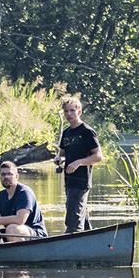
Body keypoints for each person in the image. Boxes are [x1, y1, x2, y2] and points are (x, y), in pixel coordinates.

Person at [54, 95, 102, 234]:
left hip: (82, 181)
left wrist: (79, 162)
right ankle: (90, 243)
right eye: (66, 111)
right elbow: (62, 153)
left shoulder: (87, 131)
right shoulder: (66, 133)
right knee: (81, 217)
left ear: (79, 112)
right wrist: (59, 159)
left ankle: (72, 244)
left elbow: (98, 156)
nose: (69, 114)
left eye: (72, 111)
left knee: (73, 220)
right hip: (69, 181)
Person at [0, 160, 46, 242]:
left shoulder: (24, 192)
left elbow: (20, 220)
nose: (6, 177)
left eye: (9, 174)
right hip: (10, 233)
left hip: (35, 235)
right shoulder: (2, 194)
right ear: (0, 177)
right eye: (3, 174)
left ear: (17, 176)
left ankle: (21, 254)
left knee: (12, 229)